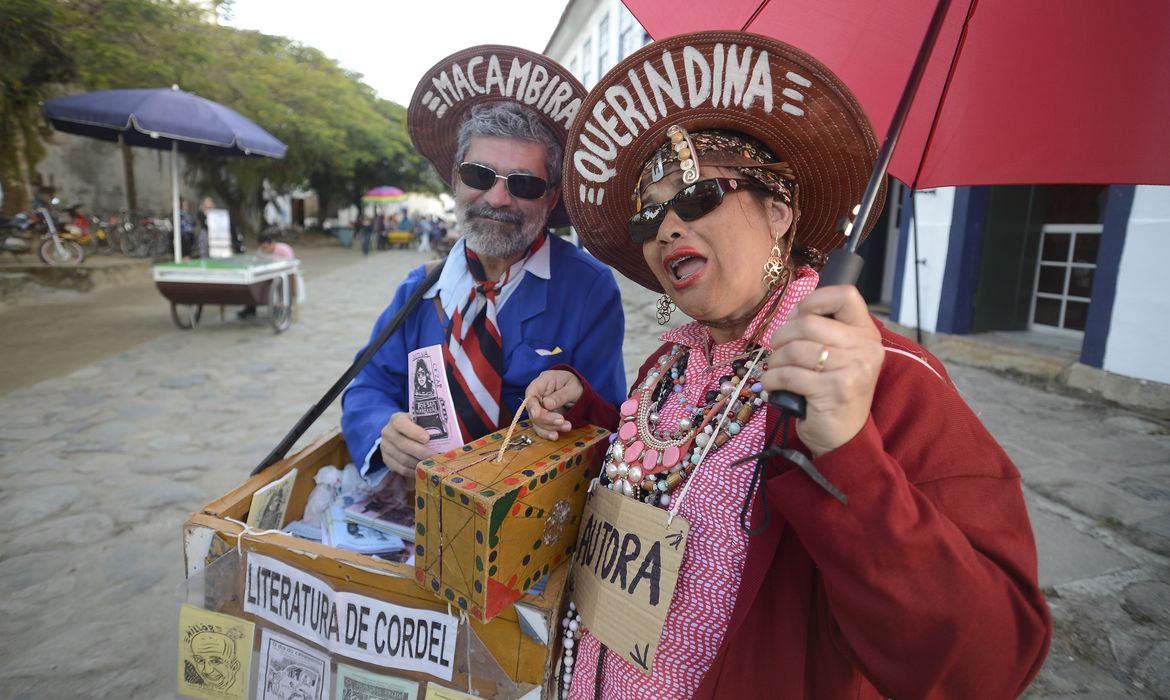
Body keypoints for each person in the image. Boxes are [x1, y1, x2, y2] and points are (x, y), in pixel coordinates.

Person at [524, 32, 1051, 699]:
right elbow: (666, 475)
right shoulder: (668, 364)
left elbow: (988, 661)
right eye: (647, 216)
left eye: (695, 197)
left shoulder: (884, 378)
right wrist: (589, 415)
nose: (666, 228)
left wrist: (847, 450)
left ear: (779, 210)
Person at [340, 45, 627, 479]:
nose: (497, 198)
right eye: (478, 175)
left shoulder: (588, 289)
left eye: (524, 184)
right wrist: (383, 433)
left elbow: (609, 425)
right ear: (455, 179)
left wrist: (572, 402)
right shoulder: (418, 289)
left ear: (550, 199)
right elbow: (368, 387)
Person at [238, 233, 295, 319]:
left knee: (281, 285)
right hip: (267, 275)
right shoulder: (260, 251)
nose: (264, 250)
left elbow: (290, 265)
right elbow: (257, 264)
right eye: (262, 247)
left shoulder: (284, 250)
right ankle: (251, 307)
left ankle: (280, 306)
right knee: (252, 284)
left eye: (266, 247)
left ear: (273, 243)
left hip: (283, 275)